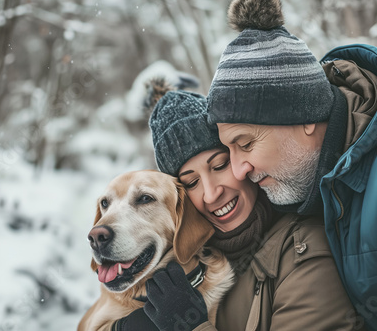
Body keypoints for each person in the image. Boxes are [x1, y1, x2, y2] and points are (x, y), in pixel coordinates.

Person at [206, 0, 377, 330]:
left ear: (305, 118)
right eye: (228, 150)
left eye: (245, 144)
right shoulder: (311, 181)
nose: (238, 168)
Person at [114, 77, 362, 331]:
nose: (211, 194)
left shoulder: (304, 251)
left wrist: (191, 327)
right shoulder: (195, 264)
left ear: (242, 157)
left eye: (220, 166)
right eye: (191, 183)